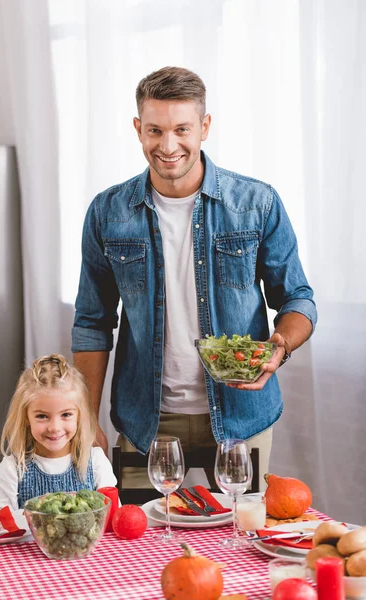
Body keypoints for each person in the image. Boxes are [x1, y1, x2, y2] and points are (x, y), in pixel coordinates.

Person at [72, 66, 317, 487]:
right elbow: (92, 323)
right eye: (155, 131)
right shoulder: (107, 212)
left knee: (242, 540)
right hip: (145, 419)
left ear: (204, 127)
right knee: (139, 542)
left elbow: (298, 298)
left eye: (182, 129)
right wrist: (87, 419)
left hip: (242, 416)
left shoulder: (257, 203)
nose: (168, 146)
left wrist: (281, 346)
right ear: (138, 129)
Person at [0, 354, 116, 516]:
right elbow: (0, 522)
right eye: (42, 416)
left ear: (80, 416)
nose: (55, 428)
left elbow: (111, 517)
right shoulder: (12, 469)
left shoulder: (96, 461)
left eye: (66, 415)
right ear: (26, 418)